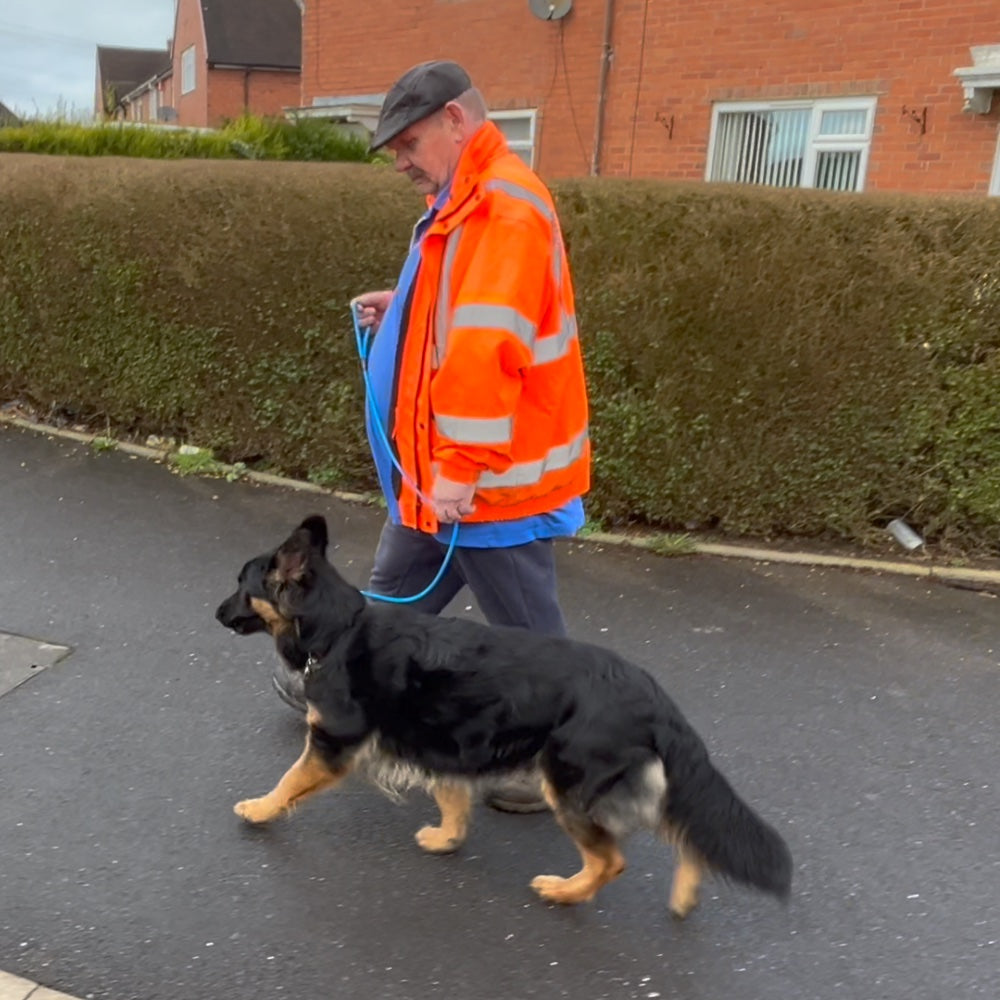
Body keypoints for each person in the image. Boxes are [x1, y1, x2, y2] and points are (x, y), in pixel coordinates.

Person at [273, 60, 591, 812]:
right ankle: (344, 691)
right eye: (393, 151)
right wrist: (405, 304)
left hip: (485, 487)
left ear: (457, 119)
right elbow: (461, 316)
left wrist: (460, 467)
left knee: (530, 639)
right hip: (438, 480)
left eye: (409, 142)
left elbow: (487, 348)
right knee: (385, 604)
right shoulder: (462, 202)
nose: (401, 161)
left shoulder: (501, 209)